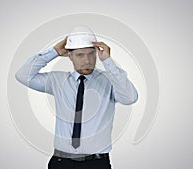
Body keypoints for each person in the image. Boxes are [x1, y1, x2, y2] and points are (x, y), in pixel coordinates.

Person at [15, 26, 138, 169]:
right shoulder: (57, 80)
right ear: (69, 55)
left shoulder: (109, 81)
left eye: (91, 54)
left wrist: (108, 61)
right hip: (61, 162)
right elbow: (23, 75)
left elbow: (130, 98)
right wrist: (54, 52)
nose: (87, 60)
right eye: (80, 55)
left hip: (96, 164)